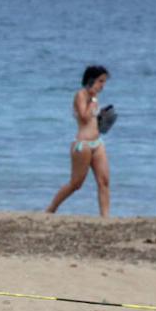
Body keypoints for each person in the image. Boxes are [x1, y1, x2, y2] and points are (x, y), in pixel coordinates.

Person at [46, 65, 111, 217]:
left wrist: (102, 116)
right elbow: (83, 116)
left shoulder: (94, 97)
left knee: (104, 181)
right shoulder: (81, 95)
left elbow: (92, 120)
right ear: (91, 80)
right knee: (76, 184)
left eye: (104, 82)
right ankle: (51, 209)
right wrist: (93, 100)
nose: (103, 86)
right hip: (83, 145)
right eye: (100, 81)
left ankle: (105, 218)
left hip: (97, 143)